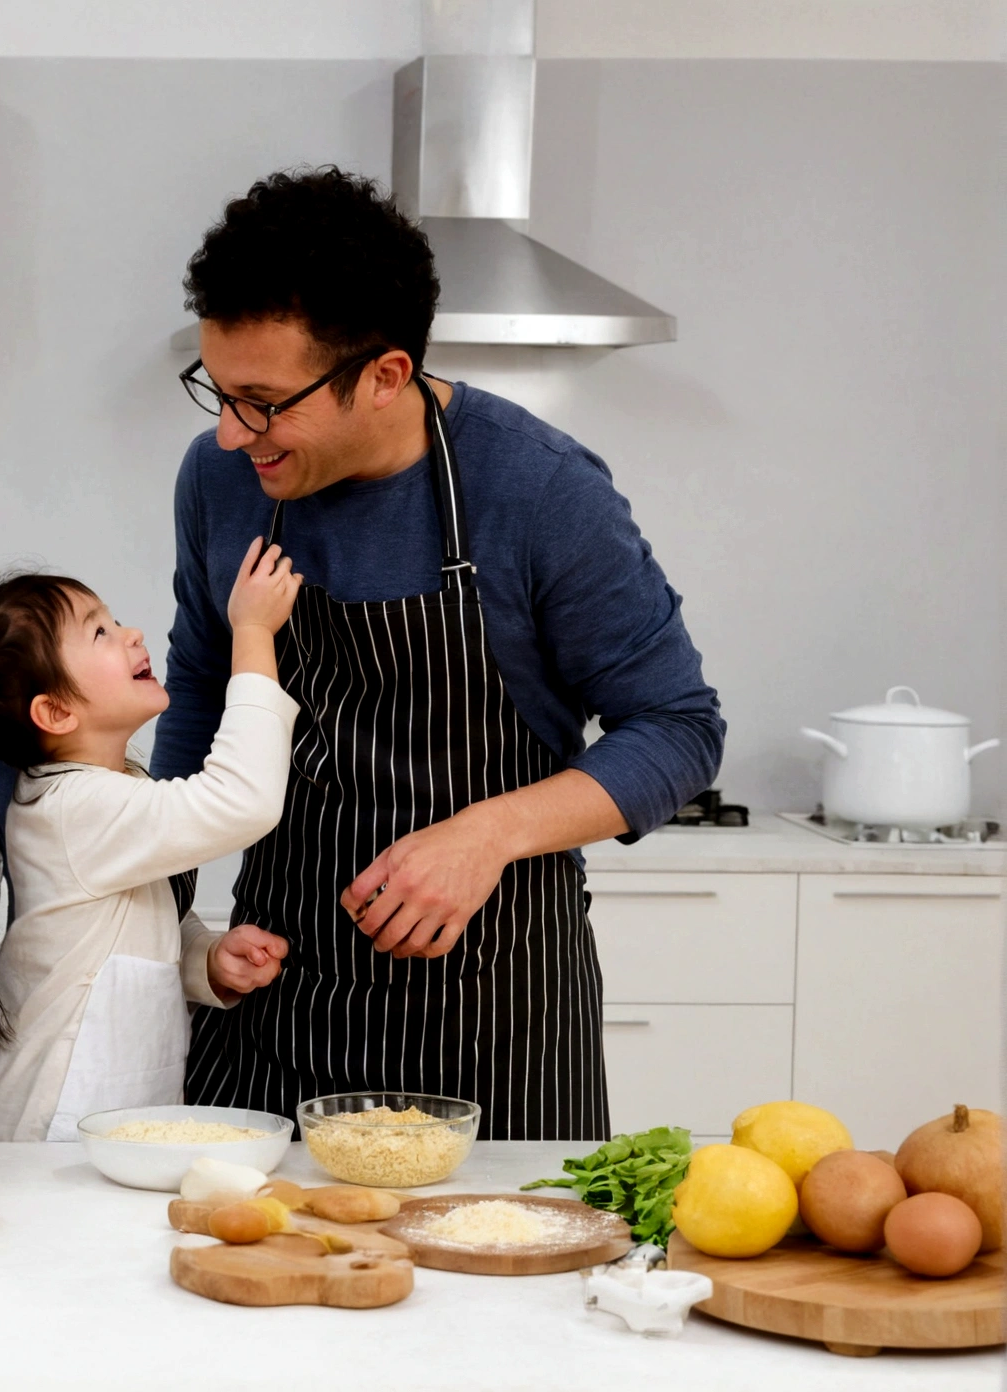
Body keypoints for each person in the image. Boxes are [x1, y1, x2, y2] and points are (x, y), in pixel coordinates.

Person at [152, 168, 725, 1139]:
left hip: (493, 1019)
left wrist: (484, 835)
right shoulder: (226, 479)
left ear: (384, 375)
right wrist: (154, 932)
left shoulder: (540, 491)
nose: (228, 429)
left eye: (262, 401)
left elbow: (677, 730)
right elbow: (202, 701)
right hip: (273, 1001)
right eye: (218, 389)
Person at [0, 542, 302, 1141]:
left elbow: (125, 922)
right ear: (56, 711)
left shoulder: (99, 794)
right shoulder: (76, 809)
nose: (131, 633)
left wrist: (202, 957)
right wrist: (250, 633)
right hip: (56, 1132)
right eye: (100, 633)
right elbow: (243, 799)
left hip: (111, 1123)